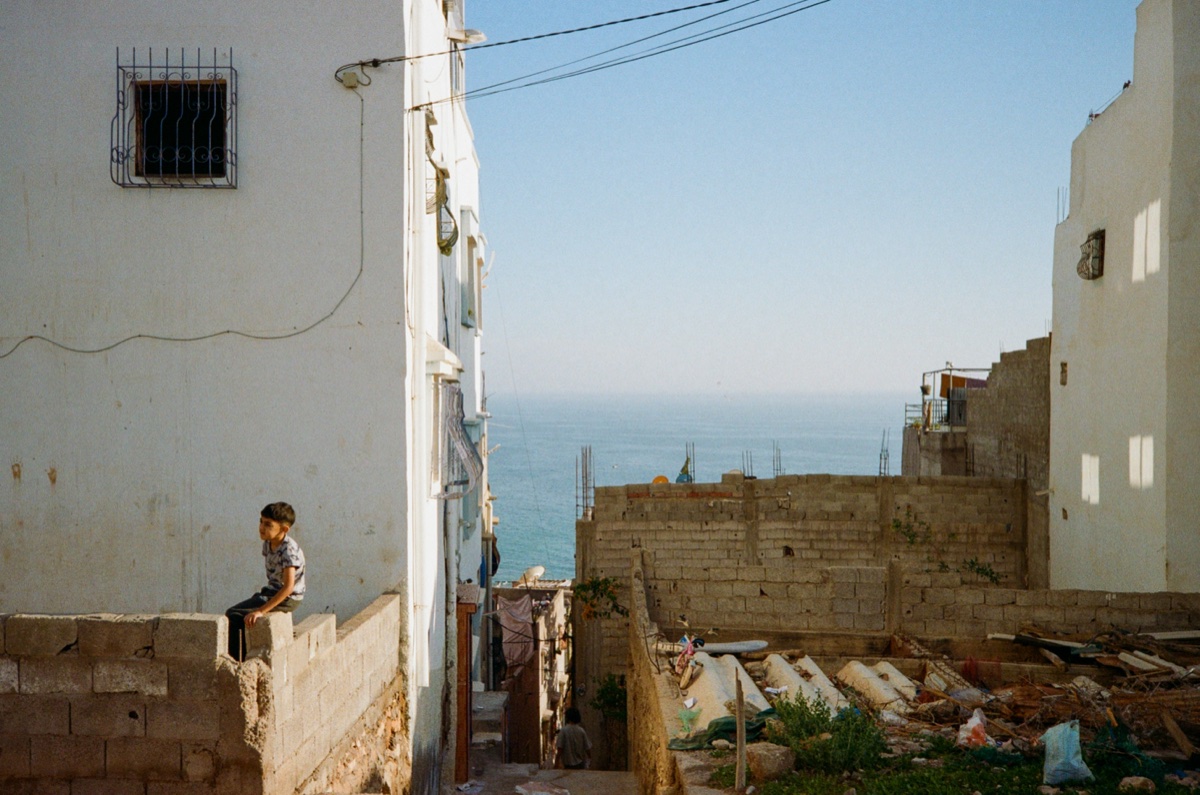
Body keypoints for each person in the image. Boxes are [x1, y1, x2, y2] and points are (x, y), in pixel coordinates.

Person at [225, 502, 306, 661]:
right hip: (272, 590)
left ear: (284, 529)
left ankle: (237, 662)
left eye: (268, 524)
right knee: (244, 611)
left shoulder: (289, 551)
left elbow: (289, 587)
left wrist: (261, 611)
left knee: (234, 614)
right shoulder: (268, 543)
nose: (261, 527)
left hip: (289, 597)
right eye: (261, 521)